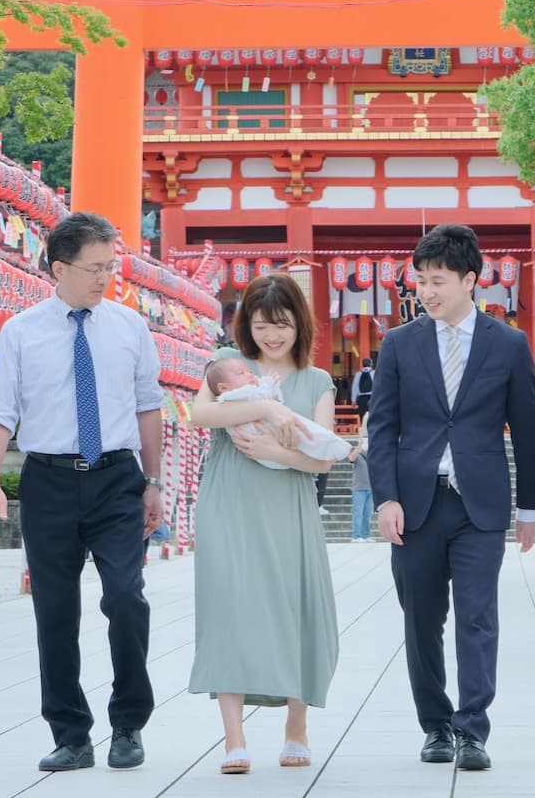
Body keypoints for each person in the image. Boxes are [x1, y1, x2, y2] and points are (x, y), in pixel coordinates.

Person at [0, 212, 165, 773]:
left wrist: (153, 482)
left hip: (117, 479)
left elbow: (148, 405)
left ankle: (129, 722)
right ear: (59, 267)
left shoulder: (130, 327)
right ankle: (71, 734)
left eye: (111, 266)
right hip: (49, 479)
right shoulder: (21, 331)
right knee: (55, 613)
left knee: (125, 598)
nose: (105, 277)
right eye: (94, 267)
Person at [366, 223, 535, 772]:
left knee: (477, 618)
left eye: (438, 280)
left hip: (479, 505)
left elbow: (524, 426)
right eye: (421, 280)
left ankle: (471, 729)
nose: (427, 291)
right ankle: (435, 725)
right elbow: (382, 429)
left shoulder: (508, 344)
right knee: (421, 619)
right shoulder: (399, 343)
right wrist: (385, 499)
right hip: (416, 505)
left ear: (471, 280)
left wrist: (531, 508)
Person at [188, 272, 339, 775]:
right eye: (261, 324)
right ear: (245, 325)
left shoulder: (317, 380)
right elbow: (199, 416)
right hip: (229, 500)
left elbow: (321, 459)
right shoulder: (227, 369)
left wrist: (279, 450)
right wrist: (267, 407)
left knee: (295, 606)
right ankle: (234, 739)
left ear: (300, 324)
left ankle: (296, 727)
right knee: (228, 607)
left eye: (282, 323)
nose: (272, 335)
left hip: (288, 502)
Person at [204, 357, 350, 469]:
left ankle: (329, 445)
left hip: (271, 446)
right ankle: (330, 445)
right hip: (257, 434)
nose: (249, 375)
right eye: (241, 373)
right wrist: (268, 386)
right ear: (223, 387)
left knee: (304, 431)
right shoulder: (232, 395)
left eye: (249, 371)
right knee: (303, 431)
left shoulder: (319, 378)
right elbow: (198, 416)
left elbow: (270, 398)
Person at [348, 412, 372, 541]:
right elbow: (351, 458)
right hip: (359, 488)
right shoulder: (355, 451)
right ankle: (356, 536)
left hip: (371, 487)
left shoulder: (372, 453)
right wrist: (359, 446)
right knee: (358, 513)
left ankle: (366, 535)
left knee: (367, 514)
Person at [351, 357, 375, 421]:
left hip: (361, 398)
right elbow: (378, 386)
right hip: (372, 397)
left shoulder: (358, 374)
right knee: (372, 415)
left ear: (362, 364)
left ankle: (363, 428)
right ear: (371, 364)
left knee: (362, 415)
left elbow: (355, 387)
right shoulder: (374, 373)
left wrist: (353, 400)